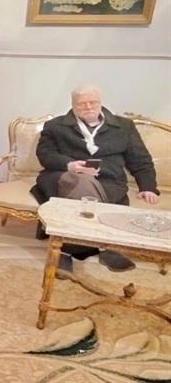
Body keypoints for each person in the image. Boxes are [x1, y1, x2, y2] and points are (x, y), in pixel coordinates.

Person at [30, 84, 159, 273]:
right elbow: (45, 154)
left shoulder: (123, 126)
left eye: (93, 102)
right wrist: (69, 164)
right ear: (73, 104)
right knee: (81, 181)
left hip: (108, 181)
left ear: (100, 102)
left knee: (84, 190)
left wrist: (147, 187)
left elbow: (140, 160)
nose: (88, 107)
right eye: (82, 104)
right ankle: (106, 247)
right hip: (63, 176)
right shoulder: (55, 126)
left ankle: (65, 251)